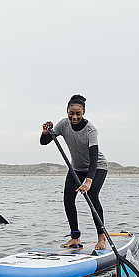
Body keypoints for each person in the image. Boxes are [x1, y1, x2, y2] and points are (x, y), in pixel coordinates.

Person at [40, 94, 109, 250]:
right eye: (71, 113)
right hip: (76, 168)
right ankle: (75, 238)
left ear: (83, 112)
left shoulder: (91, 130)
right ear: (67, 111)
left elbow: (93, 158)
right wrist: (46, 132)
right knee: (68, 198)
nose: (74, 117)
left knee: (92, 196)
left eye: (78, 113)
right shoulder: (63, 125)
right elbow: (44, 142)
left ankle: (101, 238)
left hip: (97, 167)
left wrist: (89, 181)